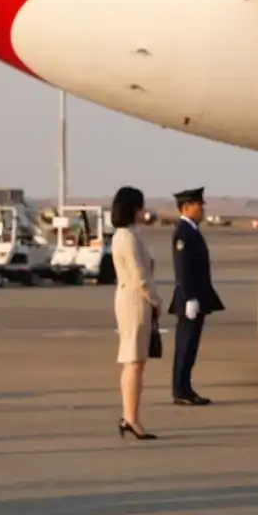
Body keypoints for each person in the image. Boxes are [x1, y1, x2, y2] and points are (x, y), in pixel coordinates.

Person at [110, 186, 160, 440]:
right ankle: (130, 418)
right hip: (135, 301)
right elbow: (141, 276)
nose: (143, 211)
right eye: (140, 206)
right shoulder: (127, 238)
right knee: (133, 361)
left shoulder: (128, 235)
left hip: (132, 299)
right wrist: (155, 299)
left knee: (136, 361)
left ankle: (131, 416)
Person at [168, 187, 222, 406]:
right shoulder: (183, 231)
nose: (202, 209)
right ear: (187, 207)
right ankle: (180, 390)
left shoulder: (192, 230)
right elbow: (183, 268)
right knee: (185, 345)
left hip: (197, 297)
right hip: (189, 298)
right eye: (199, 205)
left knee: (190, 346)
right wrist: (189, 296)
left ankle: (185, 387)